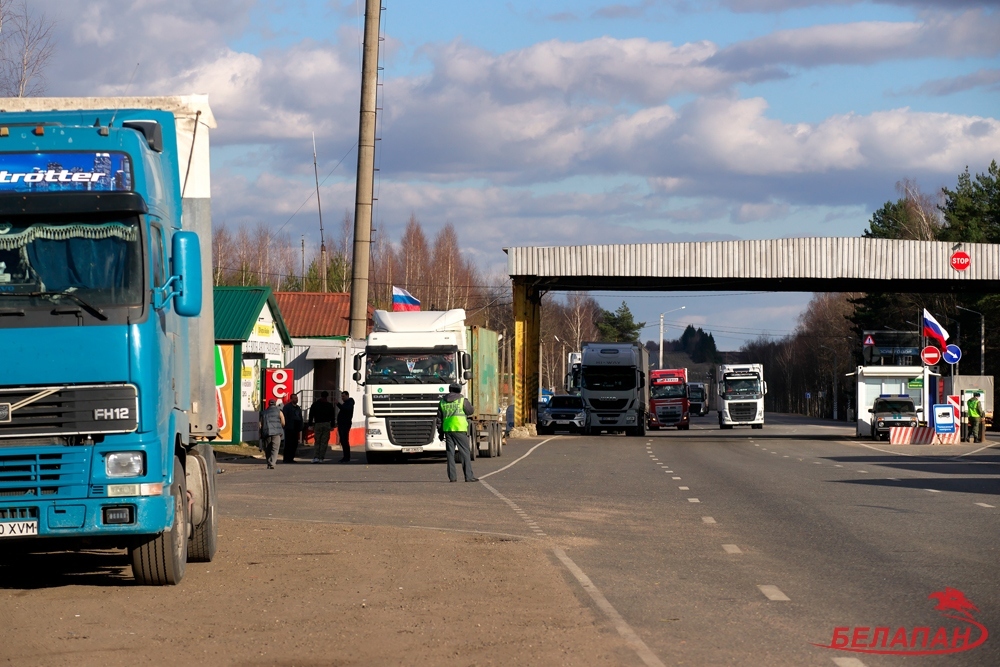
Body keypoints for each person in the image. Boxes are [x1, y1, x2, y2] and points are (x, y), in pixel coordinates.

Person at [436, 383, 477, 483]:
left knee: (450, 454)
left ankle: (452, 477)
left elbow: (439, 419)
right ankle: (468, 476)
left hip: (448, 430)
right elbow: (470, 411)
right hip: (459, 429)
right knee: (465, 453)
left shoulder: (442, 401)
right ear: (459, 390)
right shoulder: (462, 400)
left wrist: (440, 433)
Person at [307, 391, 336, 463]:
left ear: (320, 396)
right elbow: (332, 416)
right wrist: (332, 425)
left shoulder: (315, 404)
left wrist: (310, 424)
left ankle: (316, 457)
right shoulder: (329, 405)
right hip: (326, 424)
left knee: (317, 441)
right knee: (324, 442)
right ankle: (321, 458)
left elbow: (311, 415)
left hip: (318, 424)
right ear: (327, 396)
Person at [259, 399, 285, 469]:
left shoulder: (263, 412)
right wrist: (280, 428)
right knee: (275, 448)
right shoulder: (279, 412)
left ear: (268, 404)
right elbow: (283, 422)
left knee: (268, 448)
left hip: (266, 432)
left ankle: (268, 462)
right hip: (276, 433)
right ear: (275, 404)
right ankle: (272, 463)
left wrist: (260, 433)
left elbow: (260, 424)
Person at [282, 394, 304, 463]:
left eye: (297, 398)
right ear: (291, 399)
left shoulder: (298, 408)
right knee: (288, 444)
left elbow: (300, 417)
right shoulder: (287, 407)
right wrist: (285, 425)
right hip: (289, 428)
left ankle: (291, 458)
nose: (296, 399)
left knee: (294, 444)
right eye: (295, 398)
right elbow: (284, 417)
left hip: (296, 428)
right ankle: (286, 459)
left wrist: (301, 426)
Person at [336, 391, 356, 463]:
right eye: (342, 397)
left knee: (345, 440)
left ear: (347, 396)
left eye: (343, 396)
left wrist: (338, 404)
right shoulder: (346, 403)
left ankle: (346, 457)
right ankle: (345, 456)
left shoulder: (349, 403)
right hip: (342, 424)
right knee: (343, 440)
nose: (342, 398)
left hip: (345, 424)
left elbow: (345, 410)